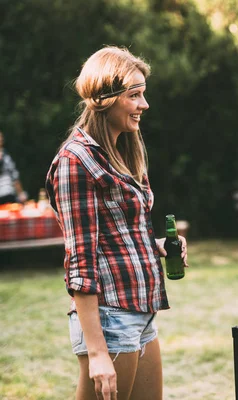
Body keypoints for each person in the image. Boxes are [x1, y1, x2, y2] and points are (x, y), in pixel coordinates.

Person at [45, 46, 188, 400]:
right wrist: (97, 353)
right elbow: (81, 261)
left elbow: (119, 234)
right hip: (108, 319)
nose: (145, 105)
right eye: (135, 95)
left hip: (141, 312)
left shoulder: (125, 150)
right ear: (105, 99)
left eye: (144, 94)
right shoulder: (75, 162)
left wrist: (155, 247)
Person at [0, 130, 28, 204]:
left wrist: (20, 193)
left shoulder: (6, 156)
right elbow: (14, 177)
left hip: (7, 194)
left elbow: (14, 177)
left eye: (1, 137)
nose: (1, 139)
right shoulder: (5, 157)